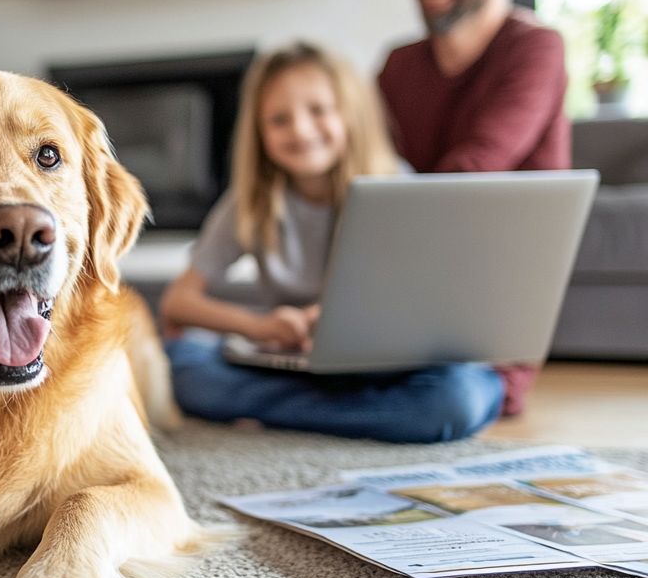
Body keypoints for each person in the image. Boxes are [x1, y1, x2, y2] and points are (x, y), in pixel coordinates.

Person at [160, 42, 505, 443]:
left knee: (458, 397)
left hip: (384, 365)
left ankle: (288, 414)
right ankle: (371, 416)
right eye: (279, 119)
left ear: (349, 114)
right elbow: (178, 302)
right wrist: (261, 325)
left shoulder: (394, 185)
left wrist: (340, 319)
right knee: (180, 368)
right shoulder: (251, 199)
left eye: (319, 111)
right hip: (294, 363)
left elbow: (434, 304)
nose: (301, 131)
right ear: (258, 131)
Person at [378, 0, 571, 416]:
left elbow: (475, 167)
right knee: (198, 366)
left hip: (490, 314)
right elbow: (365, 164)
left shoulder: (536, 48)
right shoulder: (399, 66)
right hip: (405, 295)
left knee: (452, 399)